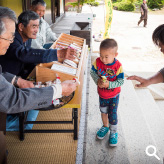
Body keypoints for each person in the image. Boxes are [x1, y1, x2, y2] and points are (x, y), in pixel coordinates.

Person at [0, 7, 78, 163]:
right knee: (25, 122)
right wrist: (58, 89)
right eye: (9, 37)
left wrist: (17, 80)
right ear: (21, 27)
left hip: (13, 81)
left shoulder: (24, 38)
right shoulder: (15, 43)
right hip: (8, 97)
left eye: (38, 26)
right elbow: (13, 99)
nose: (11, 40)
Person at [0, 10, 76, 79]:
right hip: (7, 80)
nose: (36, 30)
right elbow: (23, 53)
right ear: (21, 27)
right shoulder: (12, 38)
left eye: (37, 27)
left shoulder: (27, 38)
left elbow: (27, 59)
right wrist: (57, 53)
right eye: (33, 26)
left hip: (21, 75)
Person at [90, 39, 124, 146]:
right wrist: (97, 81)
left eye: (106, 57)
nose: (103, 59)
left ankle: (113, 132)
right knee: (103, 111)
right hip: (102, 95)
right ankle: (105, 126)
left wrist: (109, 84)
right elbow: (92, 72)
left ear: (115, 54)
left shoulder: (118, 66)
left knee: (112, 113)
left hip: (114, 95)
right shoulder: (97, 62)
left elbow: (121, 81)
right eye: (101, 55)